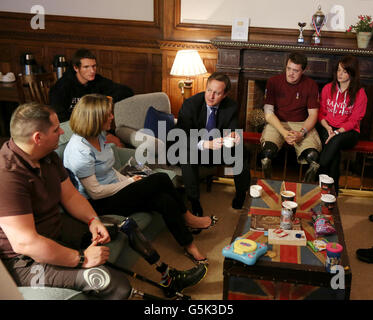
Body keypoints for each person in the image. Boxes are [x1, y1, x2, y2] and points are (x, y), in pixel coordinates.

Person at [0, 102, 207, 299]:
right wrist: (82, 259)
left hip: (55, 230)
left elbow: (70, 195)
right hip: (23, 262)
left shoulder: (48, 156)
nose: (62, 132)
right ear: (37, 138)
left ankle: (169, 277)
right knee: (110, 282)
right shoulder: (8, 175)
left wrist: (93, 220)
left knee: (123, 225)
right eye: (56, 130)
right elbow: (25, 243)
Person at [63, 94, 217, 266]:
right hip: (98, 202)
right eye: (108, 114)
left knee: (163, 200)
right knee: (161, 178)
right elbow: (96, 192)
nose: (112, 117)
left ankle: (189, 246)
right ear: (95, 118)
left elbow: (108, 169)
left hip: (114, 188)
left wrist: (128, 179)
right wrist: (129, 183)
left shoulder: (98, 135)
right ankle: (187, 217)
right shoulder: (80, 151)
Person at [176, 72, 251, 216]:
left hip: (217, 149)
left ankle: (241, 194)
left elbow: (233, 128)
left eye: (217, 93)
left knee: (241, 151)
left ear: (225, 95)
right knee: (186, 154)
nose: (211, 96)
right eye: (209, 90)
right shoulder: (191, 104)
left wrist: (234, 135)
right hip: (194, 147)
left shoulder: (231, 106)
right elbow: (181, 135)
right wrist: (206, 144)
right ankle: (194, 201)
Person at [49, 48, 134, 147]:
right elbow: (59, 117)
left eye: (94, 66)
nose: (92, 71)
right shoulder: (62, 87)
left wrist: (106, 100)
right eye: (86, 67)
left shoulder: (96, 80)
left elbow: (126, 91)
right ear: (76, 68)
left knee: (122, 143)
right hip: (73, 128)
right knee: (115, 143)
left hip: (96, 126)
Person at [260, 52, 322, 182]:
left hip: (301, 123)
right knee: (267, 153)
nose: (290, 73)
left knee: (312, 155)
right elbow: (268, 113)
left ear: (303, 70)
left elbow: (313, 115)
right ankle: (268, 182)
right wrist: (284, 132)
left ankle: (305, 186)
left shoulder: (311, 85)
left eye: (295, 70)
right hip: (277, 122)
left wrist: (301, 133)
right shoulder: (273, 82)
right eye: (288, 69)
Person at [317, 56, 367, 195]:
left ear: (352, 73)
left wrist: (337, 132)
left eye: (344, 71)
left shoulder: (360, 93)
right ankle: (333, 192)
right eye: (338, 70)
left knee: (335, 141)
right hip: (327, 127)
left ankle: (318, 167)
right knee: (334, 154)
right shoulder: (328, 88)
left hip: (349, 132)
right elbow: (321, 113)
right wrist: (328, 128)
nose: (340, 74)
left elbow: (354, 120)